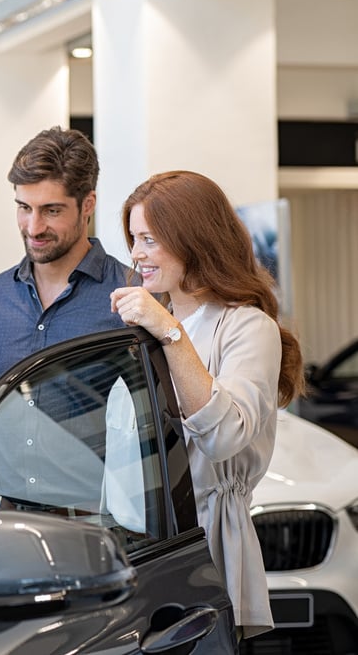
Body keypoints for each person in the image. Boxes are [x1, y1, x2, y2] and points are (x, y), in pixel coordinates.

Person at [109, 170, 304, 640]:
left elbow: (223, 436)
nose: (136, 255)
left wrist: (170, 333)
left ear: (192, 239)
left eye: (150, 240)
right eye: (133, 239)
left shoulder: (246, 327)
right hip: (136, 547)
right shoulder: (153, 323)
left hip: (201, 549)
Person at [0, 126, 132, 515]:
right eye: (24, 208)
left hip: (101, 529)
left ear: (87, 204)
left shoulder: (132, 297)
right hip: (9, 524)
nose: (34, 227)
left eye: (51, 210)